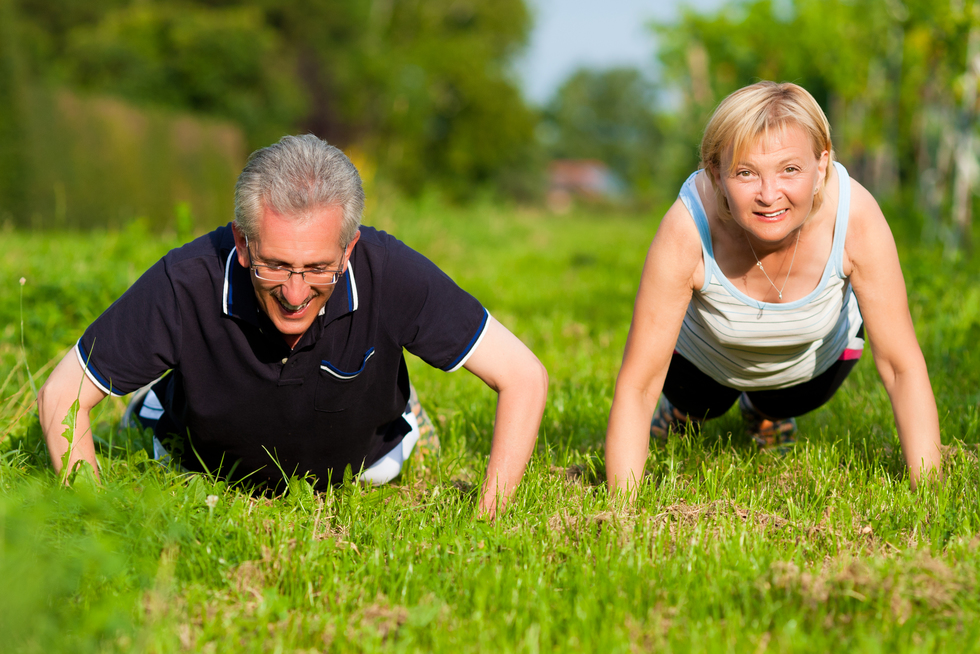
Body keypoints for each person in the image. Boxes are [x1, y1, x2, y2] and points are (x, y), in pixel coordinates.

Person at [38, 134, 548, 516]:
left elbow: (524, 376)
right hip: (197, 463)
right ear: (242, 243)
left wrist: (491, 516)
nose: (296, 292)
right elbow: (62, 394)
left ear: (349, 249)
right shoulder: (185, 280)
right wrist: (95, 519)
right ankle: (150, 398)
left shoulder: (390, 271)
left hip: (365, 464)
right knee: (156, 407)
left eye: (319, 268)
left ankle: (406, 407)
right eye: (275, 266)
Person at [605, 81, 941, 497]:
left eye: (790, 169)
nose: (768, 195)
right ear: (716, 174)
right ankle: (683, 411)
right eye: (746, 172)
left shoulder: (855, 215)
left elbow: (900, 365)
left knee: (783, 401)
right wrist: (620, 511)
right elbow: (639, 382)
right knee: (697, 400)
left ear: (821, 166)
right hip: (700, 364)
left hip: (809, 366)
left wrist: (929, 492)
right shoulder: (688, 223)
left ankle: (766, 411)